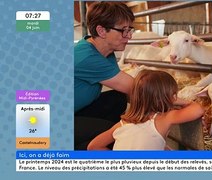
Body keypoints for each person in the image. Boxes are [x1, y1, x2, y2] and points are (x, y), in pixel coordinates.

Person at [87, 70, 205, 150]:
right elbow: (198, 109)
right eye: (174, 94)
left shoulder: (121, 125)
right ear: (167, 98)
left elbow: (93, 147)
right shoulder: (164, 118)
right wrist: (182, 101)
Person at [74, 2, 135, 150]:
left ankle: (87, 145)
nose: (129, 37)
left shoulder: (104, 51)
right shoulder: (86, 57)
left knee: (117, 98)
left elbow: (128, 89)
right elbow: (134, 86)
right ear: (101, 31)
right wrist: (181, 103)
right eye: (123, 30)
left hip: (77, 110)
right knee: (119, 134)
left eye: (130, 29)